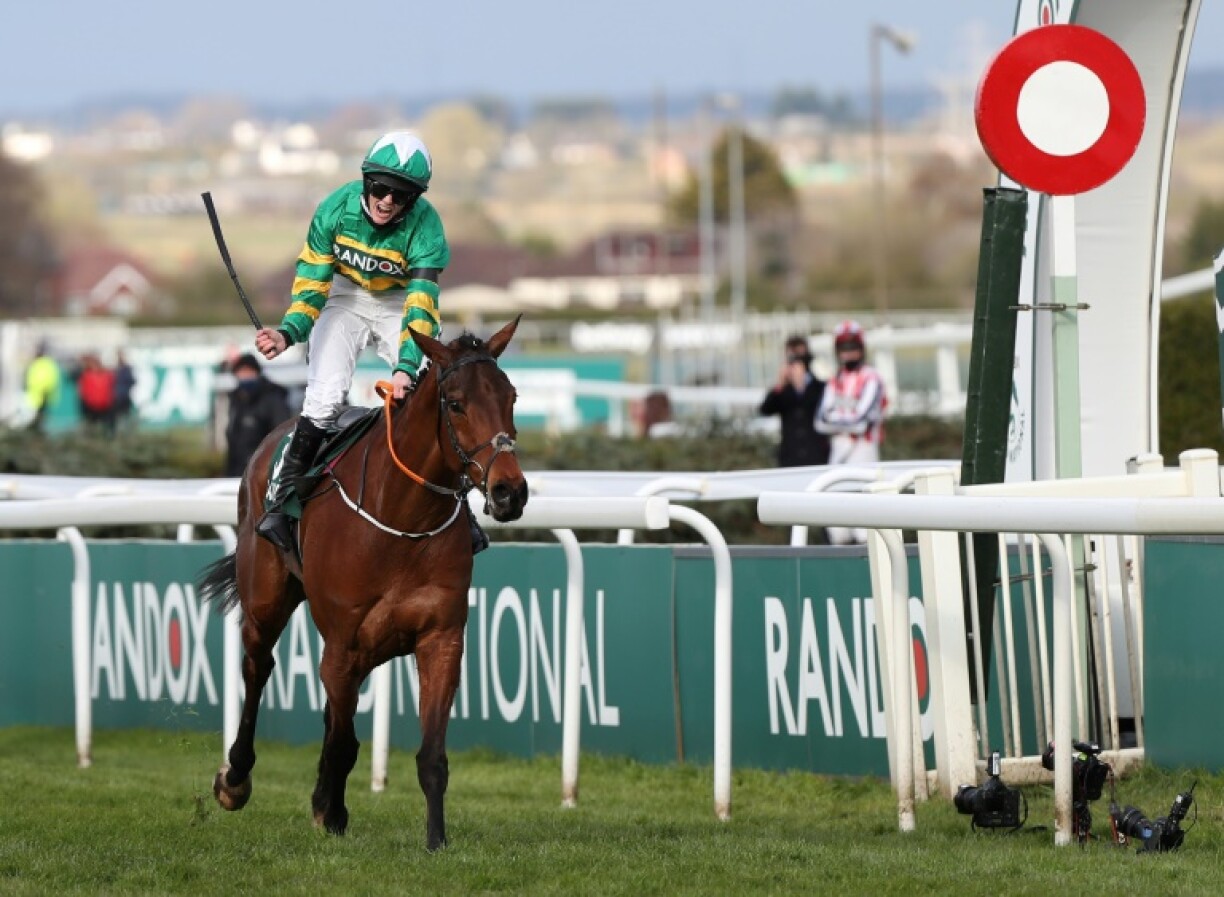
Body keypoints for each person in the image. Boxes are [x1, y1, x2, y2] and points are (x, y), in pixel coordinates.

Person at [252, 130, 456, 551]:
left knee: (433, 385)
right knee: (324, 398)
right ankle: (281, 503)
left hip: (399, 300)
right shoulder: (333, 210)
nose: (387, 201)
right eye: (380, 188)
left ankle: (461, 513)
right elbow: (312, 283)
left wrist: (404, 368)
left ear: (414, 200)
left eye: (401, 196)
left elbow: (420, 307)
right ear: (365, 180)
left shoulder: (427, 227)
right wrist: (288, 332)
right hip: (344, 298)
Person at [815, 320, 888, 544]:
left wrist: (837, 418)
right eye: (844, 348)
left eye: (853, 347)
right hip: (837, 455)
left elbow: (861, 422)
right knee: (836, 526)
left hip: (863, 454)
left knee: (864, 527)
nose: (849, 353)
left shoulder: (872, 378)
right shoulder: (834, 380)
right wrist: (847, 417)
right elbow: (819, 421)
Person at [758, 335, 829, 467]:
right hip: (790, 458)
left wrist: (801, 387)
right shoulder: (783, 390)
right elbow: (765, 409)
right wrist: (779, 385)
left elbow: (823, 410)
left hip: (816, 457)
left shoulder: (820, 387)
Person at [224, 353, 292, 478]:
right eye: (241, 372)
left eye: (248, 371)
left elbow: (282, 436)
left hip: (263, 473)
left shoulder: (273, 399)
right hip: (237, 471)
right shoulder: (236, 400)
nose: (244, 376)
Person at [23, 341, 62, 434]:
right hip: (40, 396)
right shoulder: (48, 364)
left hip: (40, 396)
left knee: (39, 419)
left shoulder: (38, 364)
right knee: (38, 418)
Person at [75, 353, 117, 433]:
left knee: (102, 428)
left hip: (102, 406)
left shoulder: (105, 375)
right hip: (93, 406)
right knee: (93, 427)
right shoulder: (86, 375)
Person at [112, 350, 137, 431]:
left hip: (124, 396)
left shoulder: (126, 369)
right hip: (117, 397)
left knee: (125, 415)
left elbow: (132, 381)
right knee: (118, 417)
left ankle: (125, 432)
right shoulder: (116, 369)